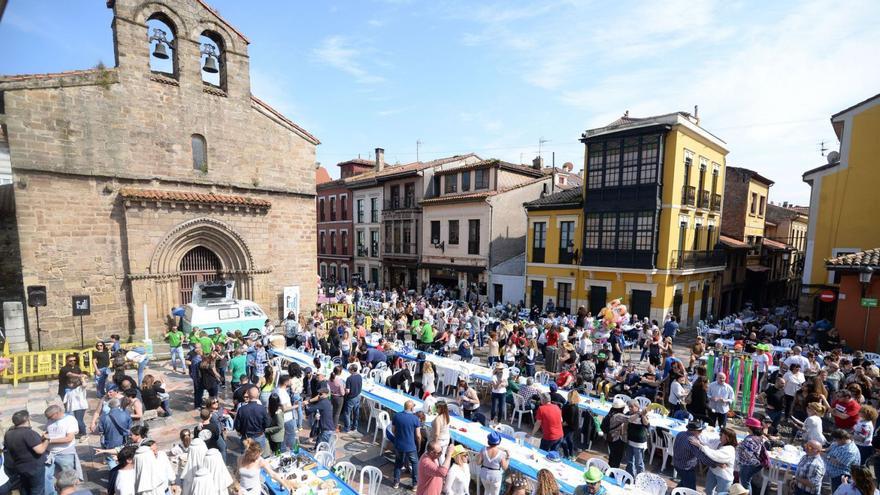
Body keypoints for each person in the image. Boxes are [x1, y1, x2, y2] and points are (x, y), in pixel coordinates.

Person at [2, 410, 50, 495]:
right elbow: (40, 450)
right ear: (27, 420)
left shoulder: (8, 434)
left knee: (25, 489)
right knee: (37, 490)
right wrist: (46, 439)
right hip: (34, 468)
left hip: (20, 467)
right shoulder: (29, 433)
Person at [43, 405, 82, 495]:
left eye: (50, 417)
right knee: (46, 475)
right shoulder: (50, 420)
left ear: (57, 413)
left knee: (68, 478)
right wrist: (44, 434)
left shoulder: (70, 420)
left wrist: (50, 440)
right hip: (49, 453)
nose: (48, 419)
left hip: (65, 453)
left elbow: (69, 438)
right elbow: (48, 431)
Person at [672, 420, 716, 490]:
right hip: (686, 468)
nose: (701, 432)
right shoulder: (692, 441)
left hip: (676, 463)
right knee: (691, 489)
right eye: (700, 431)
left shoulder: (680, 433)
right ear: (695, 431)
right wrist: (715, 464)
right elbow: (702, 457)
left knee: (684, 482)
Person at [691, 427, 737, 495]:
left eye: (721, 435)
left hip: (724, 477)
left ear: (727, 438)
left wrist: (700, 446)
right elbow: (707, 441)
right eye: (720, 434)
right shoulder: (718, 442)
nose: (719, 436)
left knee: (721, 494)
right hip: (713, 471)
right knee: (708, 491)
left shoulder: (730, 450)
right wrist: (697, 433)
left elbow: (715, 455)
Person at [391, 400, 422, 489]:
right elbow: (418, 435)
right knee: (415, 463)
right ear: (412, 408)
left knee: (398, 463)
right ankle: (415, 485)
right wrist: (419, 446)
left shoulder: (396, 416)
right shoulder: (415, 418)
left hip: (399, 444)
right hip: (410, 446)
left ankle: (396, 482)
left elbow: (393, 430)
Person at [97, 398, 132, 469]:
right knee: (124, 460)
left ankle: (115, 475)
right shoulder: (126, 414)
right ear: (119, 405)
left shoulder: (103, 418)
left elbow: (101, 431)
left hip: (109, 443)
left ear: (109, 406)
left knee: (111, 460)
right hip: (124, 442)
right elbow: (130, 428)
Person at [233, 387, 271, 452]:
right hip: (259, 437)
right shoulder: (262, 408)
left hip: (246, 438)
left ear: (248, 395)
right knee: (259, 457)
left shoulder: (242, 409)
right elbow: (267, 424)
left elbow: (237, 426)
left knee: (245, 459)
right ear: (258, 395)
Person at [624, 399, 650, 476]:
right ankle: (630, 476)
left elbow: (647, 424)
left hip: (639, 444)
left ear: (637, 407)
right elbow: (629, 419)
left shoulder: (643, 416)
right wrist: (639, 414)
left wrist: (643, 415)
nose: (630, 408)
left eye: (632, 407)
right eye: (629, 407)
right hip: (630, 441)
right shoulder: (629, 414)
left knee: (639, 463)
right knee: (629, 461)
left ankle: (640, 478)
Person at [341, 363, 363, 434]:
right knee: (356, 413)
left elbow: (347, 391)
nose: (348, 370)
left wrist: (343, 389)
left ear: (353, 370)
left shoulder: (349, 379)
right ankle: (355, 427)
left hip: (351, 398)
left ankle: (347, 428)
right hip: (358, 396)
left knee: (347, 413)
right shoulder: (360, 376)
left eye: (349, 369)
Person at [561, 390, 582, 460]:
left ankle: (567, 454)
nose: (567, 396)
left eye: (569, 396)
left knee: (562, 440)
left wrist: (561, 424)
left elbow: (570, 421)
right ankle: (571, 454)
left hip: (569, 427)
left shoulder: (572, 408)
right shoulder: (570, 404)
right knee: (569, 440)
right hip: (570, 426)